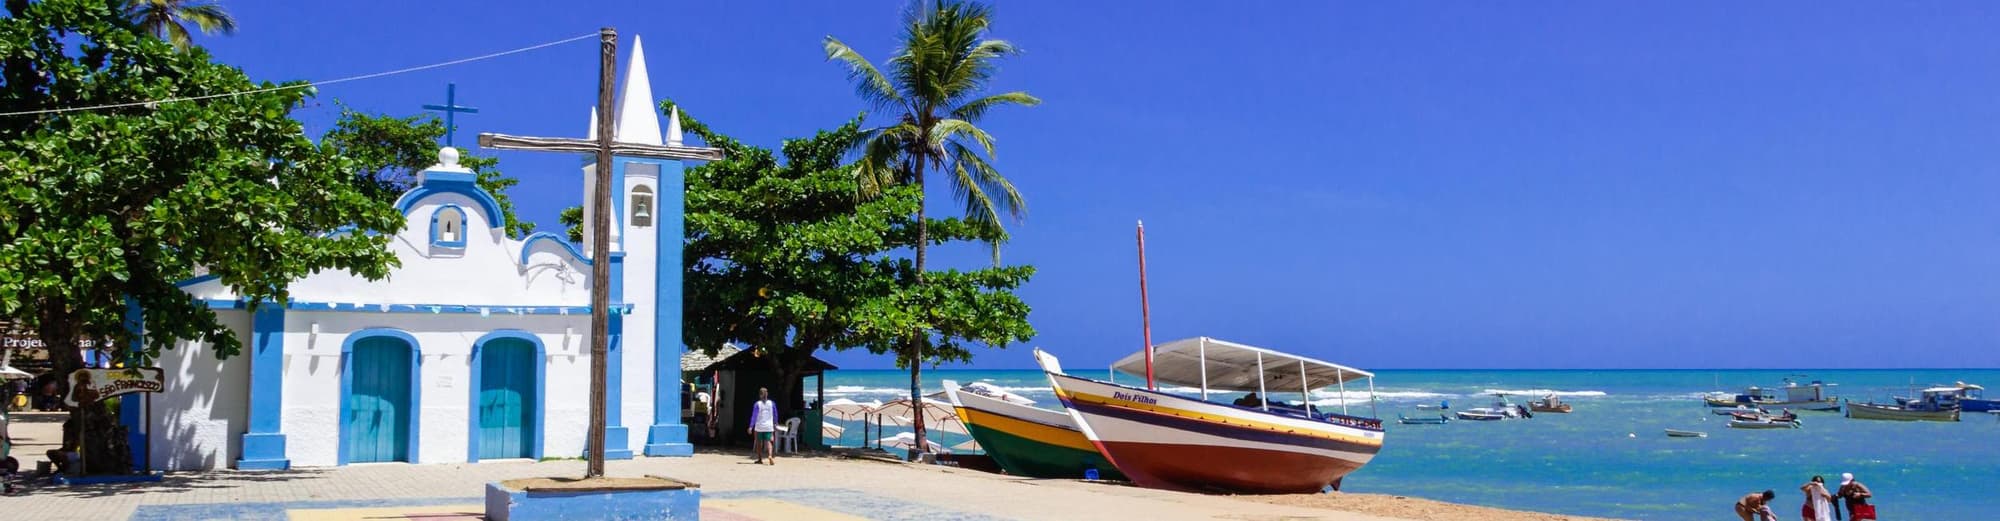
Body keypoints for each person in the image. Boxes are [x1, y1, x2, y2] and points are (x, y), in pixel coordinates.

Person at [747, 387, 776, 465]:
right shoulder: (772, 403)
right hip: (769, 426)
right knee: (769, 442)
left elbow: (754, 416)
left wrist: (750, 426)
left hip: (759, 426)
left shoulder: (757, 404)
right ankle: (770, 455)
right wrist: (775, 423)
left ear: (760, 395)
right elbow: (775, 414)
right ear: (767, 394)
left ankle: (760, 459)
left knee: (759, 443)